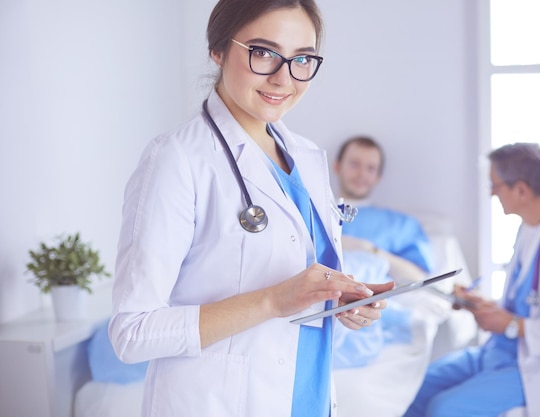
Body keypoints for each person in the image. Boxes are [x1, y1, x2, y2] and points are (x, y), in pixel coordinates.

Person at [108, 2, 393, 416]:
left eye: (302, 59)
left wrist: (342, 300)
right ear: (218, 49)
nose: (284, 78)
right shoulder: (176, 160)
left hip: (307, 399)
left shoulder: (307, 157)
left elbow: (298, 289)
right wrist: (273, 301)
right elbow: (132, 333)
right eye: (263, 52)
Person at [403, 142, 540, 417]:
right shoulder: (530, 226)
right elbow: (530, 302)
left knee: (444, 409)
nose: (492, 193)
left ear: (521, 190)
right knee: (417, 387)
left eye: (496, 185)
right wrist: (483, 305)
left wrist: (513, 324)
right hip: (502, 351)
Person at [333, 136, 434, 283]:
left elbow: (418, 278)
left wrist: (368, 249)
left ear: (378, 177)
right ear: (337, 166)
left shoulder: (400, 225)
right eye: (355, 164)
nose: (362, 174)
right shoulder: (313, 215)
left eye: (371, 168)